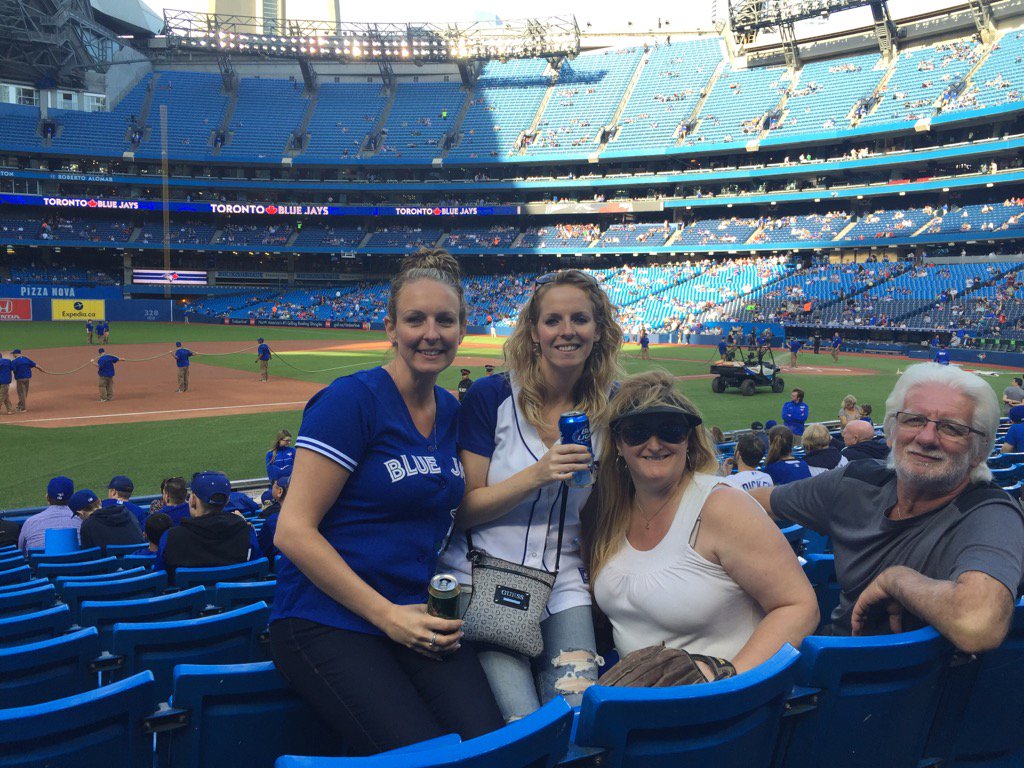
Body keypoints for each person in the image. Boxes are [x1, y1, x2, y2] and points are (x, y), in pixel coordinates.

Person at [270, 250, 504, 754]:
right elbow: (291, 531)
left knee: (491, 744)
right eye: (414, 319)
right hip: (326, 619)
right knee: (425, 754)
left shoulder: (449, 410)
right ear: (391, 328)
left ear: (463, 329)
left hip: (417, 614)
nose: (431, 333)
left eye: (445, 320)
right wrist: (385, 615)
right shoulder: (351, 400)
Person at [438, 268, 623, 721]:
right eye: (553, 320)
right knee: (519, 720)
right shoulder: (491, 396)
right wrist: (538, 474)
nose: (566, 331)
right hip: (482, 577)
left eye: (579, 319)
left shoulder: (613, 406)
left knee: (581, 714)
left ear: (597, 331)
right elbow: (462, 511)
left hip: (563, 584)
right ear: (535, 332)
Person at [749, 363, 1024, 653]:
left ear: (980, 451)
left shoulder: (990, 513)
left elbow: (978, 624)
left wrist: (898, 580)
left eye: (951, 428)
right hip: (830, 661)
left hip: (888, 688)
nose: (927, 437)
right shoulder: (856, 481)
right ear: (891, 431)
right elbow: (757, 502)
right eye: (914, 420)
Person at [587, 371, 817, 678]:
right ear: (618, 443)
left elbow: (799, 607)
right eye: (637, 431)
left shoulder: (722, 507)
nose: (654, 444)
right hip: (637, 705)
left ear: (689, 440)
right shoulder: (611, 511)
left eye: (671, 430)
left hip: (722, 708)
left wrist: (722, 678)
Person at [155, 471, 257, 575]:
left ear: (193, 500)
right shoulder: (246, 532)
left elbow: (160, 578)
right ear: (227, 501)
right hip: (236, 590)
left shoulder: (170, 537)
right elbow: (259, 566)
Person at [18, 476, 78, 552]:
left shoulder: (30, 522)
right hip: (76, 563)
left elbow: (21, 552)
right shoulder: (83, 520)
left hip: (40, 563)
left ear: (47, 498)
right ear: (73, 498)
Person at [258, 473, 290, 559]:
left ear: (280, 491)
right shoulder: (310, 517)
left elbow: (262, 551)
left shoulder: (272, 521)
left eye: (274, 486)